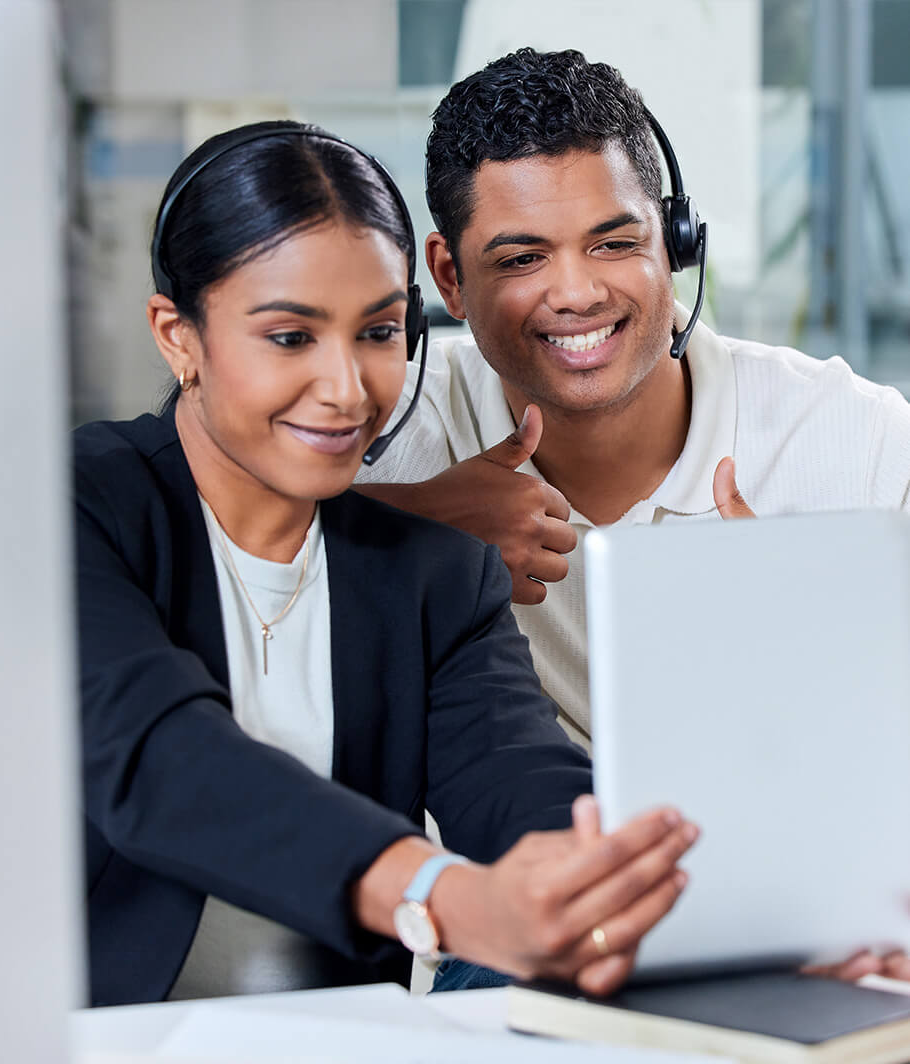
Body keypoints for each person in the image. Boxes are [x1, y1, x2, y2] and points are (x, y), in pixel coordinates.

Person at [74, 120, 699, 1007]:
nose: (345, 388)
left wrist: (618, 888)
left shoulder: (433, 576)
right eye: (290, 337)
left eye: (377, 332)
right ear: (179, 337)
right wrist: (442, 894)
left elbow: (522, 785)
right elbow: (161, 758)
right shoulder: (82, 509)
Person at [355, 47, 910, 990]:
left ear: (676, 241)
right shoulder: (390, 423)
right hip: (524, 950)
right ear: (447, 278)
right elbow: (201, 527)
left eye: (615, 243)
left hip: (804, 930)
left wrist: (811, 645)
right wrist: (414, 524)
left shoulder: (854, 442)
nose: (577, 292)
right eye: (523, 258)